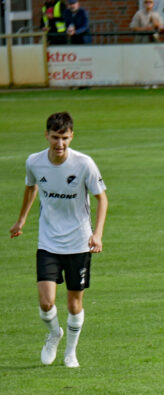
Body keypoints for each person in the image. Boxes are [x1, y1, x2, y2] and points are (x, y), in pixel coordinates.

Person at [9, 112, 108, 369]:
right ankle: (54, 333)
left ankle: (71, 353)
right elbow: (31, 188)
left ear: (71, 136)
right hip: (48, 242)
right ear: (46, 135)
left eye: (64, 137)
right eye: (55, 137)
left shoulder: (84, 164)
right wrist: (21, 220)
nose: (60, 143)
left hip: (78, 243)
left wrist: (96, 234)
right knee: (46, 302)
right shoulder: (34, 162)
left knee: (74, 304)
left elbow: (102, 199)